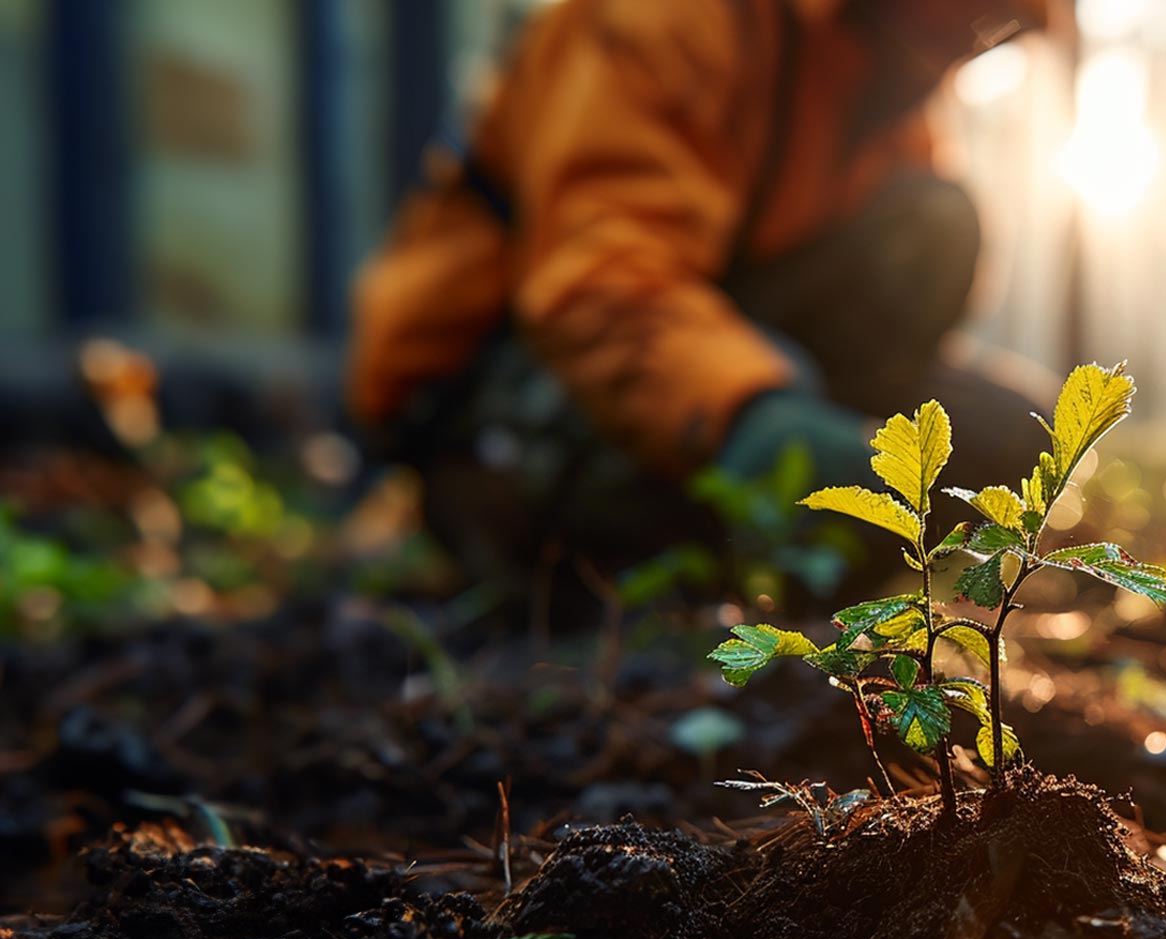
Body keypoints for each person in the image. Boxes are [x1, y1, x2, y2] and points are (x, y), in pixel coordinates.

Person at [346, 0, 1050, 586]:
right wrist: (755, 416)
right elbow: (594, 281)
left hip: (715, 340)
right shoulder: (664, 19)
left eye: (999, 24)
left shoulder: (887, 79)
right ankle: (546, 542)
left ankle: (761, 537)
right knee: (796, 406)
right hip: (493, 377)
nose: (973, 38)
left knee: (1012, 429)